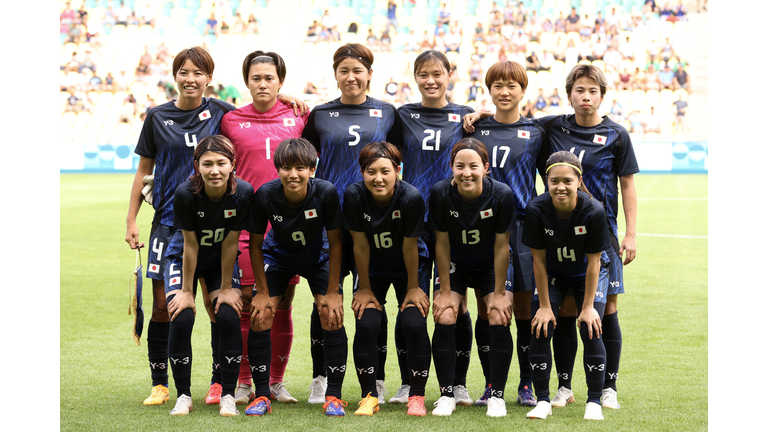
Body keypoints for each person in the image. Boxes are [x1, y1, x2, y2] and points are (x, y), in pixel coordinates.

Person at [125, 46, 236, 408]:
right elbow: (144, 171)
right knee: (163, 306)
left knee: (215, 304)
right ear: (175, 76)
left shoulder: (221, 111)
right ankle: (160, 384)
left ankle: (219, 383)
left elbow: (255, 117)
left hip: (213, 225)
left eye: (198, 73)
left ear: (209, 77)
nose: (191, 79)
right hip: (168, 225)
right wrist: (131, 220)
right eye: (184, 72)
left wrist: (289, 98)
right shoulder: (157, 116)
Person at [534, 64, 638, 412]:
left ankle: (609, 387)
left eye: (593, 91)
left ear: (602, 96)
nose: (586, 97)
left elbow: (627, 185)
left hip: (601, 233)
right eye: (580, 90)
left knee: (605, 307)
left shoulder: (616, 135)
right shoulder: (553, 126)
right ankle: (564, 387)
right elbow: (513, 119)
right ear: (569, 95)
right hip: (560, 233)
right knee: (565, 309)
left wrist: (631, 234)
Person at [301, 43, 399, 405]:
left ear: (370, 74)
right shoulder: (320, 113)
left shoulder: (388, 113)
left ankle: (379, 378)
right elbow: (303, 157)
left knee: (370, 299)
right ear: (336, 74)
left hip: (371, 222)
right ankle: (320, 377)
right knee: (324, 299)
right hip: (327, 220)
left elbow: (396, 160)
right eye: (344, 70)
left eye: (358, 70)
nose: (351, 77)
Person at [220, 51, 311, 408]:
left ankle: (276, 382)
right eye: (256, 78)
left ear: (280, 82)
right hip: (246, 225)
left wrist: (289, 101)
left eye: (269, 78)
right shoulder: (230, 119)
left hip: (286, 227)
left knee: (283, 304)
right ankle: (244, 382)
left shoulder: (299, 115)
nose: (262, 83)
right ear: (247, 81)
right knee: (248, 302)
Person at [389, 50, 475, 408]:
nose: (431, 80)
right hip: (411, 218)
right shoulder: (403, 115)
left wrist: (479, 114)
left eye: (437, 74)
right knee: (410, 301)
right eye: (423, 74)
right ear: (415, 77)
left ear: (449, 74)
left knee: (457, 302)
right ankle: (410, 383)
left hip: (454, 219)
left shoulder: (465, 116)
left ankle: (458, 383)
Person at [462, 61, 548, 411]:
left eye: (512, 85)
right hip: (483, 228)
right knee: (488, 309)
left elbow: (552, 174)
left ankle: (526, 384)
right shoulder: (474, 129)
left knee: (525, 310)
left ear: (523, 91)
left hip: (523, 230)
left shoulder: (537, 131)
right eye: (498, 84)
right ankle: (491, 383)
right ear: (489, 90)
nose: (505, 91)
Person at [246, 138, 346, 416]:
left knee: (331, 312)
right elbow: (254, 244)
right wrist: (263, 292)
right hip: (278, 258)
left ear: (312, 169)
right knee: (261, 313)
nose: (293, 174)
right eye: (287, 167)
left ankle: (334, 397)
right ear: (277, 169)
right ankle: (262, 395)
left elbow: (337, 243)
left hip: (318, 258)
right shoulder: (265, 194)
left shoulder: (325, 192)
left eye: (300, 167)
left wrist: (334, 291)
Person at [163, 135, 253, 416]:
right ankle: (184, 395)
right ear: (197, 165)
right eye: (207, 164)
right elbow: (190, 245)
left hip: (219, 261)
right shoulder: (186, 193)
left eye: (221, 163)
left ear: (233, 165)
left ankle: (227, 394)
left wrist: (227, 288)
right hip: (183, 257)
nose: (215, 170)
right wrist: (187, 291)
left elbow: (230, 243)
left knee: (227, 313)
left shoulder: (243, 192)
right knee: (182, 315)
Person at [428, 138, 516, 417]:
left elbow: (503, 247)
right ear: (451, 168)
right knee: (444, 314)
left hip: (490, 265)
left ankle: (497, 395)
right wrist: (443, 290)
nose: (466, 172)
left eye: (473, 166)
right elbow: (440, 244)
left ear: (486, 168)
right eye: (460, 166)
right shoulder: (440, 193)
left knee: (499, 315)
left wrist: (500, 294)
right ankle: (447, 394)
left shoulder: (502, 194)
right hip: (456, 264)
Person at [522, 150, 611, 421]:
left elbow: (594, 263)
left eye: (567, 181)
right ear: (546, 181)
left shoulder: (593, 210)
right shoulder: (536, 209)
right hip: (553, 275)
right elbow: (537, 261)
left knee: (590, 325)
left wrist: (587, 308)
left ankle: (594, 402)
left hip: (587, 274)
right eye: (554, 181)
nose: (560, 187)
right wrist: (545, 307)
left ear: (578, 181)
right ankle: (543, 401)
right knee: (540, 326)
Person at [345, 142, 432, 416]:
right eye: (371, 172)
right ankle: (369, 396)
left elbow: (410, 246)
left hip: (408, 268)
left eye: (385, 171)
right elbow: (359, 245)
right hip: (372, 268)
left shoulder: (411, 197)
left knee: (414, 323)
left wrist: (414, 288)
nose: (378, 178)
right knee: (367, 322)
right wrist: (365, 289)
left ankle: (416, 396)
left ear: (398, 171)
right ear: (362, 173)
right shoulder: (354, 196)